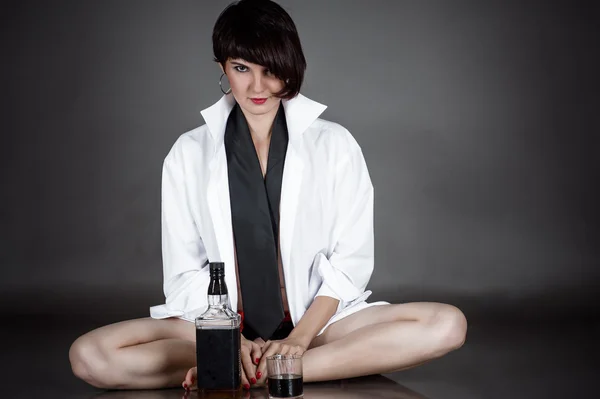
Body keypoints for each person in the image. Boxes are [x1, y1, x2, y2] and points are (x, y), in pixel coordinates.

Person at [69, 0, 467, 391]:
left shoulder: (335, 144)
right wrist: (230, 341)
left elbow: (350, 264)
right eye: (241, 69)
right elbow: (183, 276)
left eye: (270, 70)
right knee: (91, 355)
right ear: (223, 68)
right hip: (221, 325)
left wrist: (298, 340)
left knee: (446, 325)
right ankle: (242, 363)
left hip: (317, 323)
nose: (257, 86)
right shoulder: (188, 153)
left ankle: (267, 370)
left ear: (290, 68)